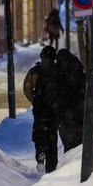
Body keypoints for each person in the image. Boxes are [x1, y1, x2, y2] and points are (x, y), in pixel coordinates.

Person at [25, 45, 60, 173]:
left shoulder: (34, 71)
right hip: (53, 109)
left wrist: (34, 100)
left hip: (39, 108)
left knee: (39, 133)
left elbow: (27, 87)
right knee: (52, 136)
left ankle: (40, 152)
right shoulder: (57, 70)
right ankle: (51, 165)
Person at [55, 49, 85, 152]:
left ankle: (70, 164)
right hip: (79, 114)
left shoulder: (58, 75)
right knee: (79, 145)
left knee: (68, 146)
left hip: (64, 115)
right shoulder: (78, 72)